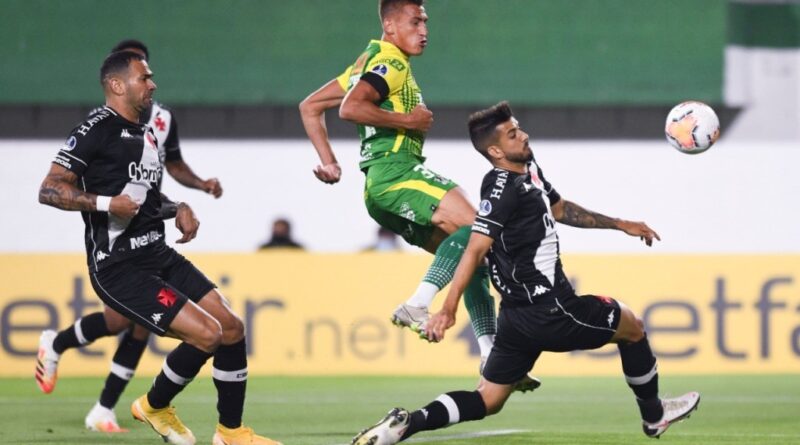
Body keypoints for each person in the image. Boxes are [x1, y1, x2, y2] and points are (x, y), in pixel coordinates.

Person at [351, 102, 700, 445]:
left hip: (516, 321)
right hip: (552, 310)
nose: (523, 136)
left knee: (488, 399)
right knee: (632, 327)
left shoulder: (528, 170)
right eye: (512, 134)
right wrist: (447, 309)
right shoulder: (501, 188)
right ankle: (654, 416)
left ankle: (406, 424)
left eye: (518, 129)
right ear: (495, 151)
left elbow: (559, 208)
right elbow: (474, 248)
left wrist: (620, 224)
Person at [36, 50, 279, 445]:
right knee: (208, 334)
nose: (153, 84)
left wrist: (177, 207)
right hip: (120, 267)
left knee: (233, 327)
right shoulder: (95, 128)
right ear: (117, 85)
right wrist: (105, 203)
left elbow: (146, 199)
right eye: (144, 77)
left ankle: (231, 433)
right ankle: (154, 406)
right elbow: (49, 189)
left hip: (158, 254)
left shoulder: (146, 133)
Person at [299, 0, 538, 392]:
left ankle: (490, 355)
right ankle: (418, 303)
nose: (424, 30)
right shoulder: (390, 62)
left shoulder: (366, 63)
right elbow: (350, 108)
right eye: (415, 22)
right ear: (391, 26)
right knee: (483, 229)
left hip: (380, 191)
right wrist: (406, 120)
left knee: (472, 258)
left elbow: (310, 107)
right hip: (398, 174)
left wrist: (330, 163)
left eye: (425, 22)